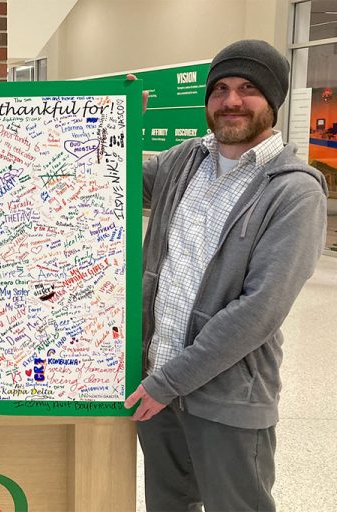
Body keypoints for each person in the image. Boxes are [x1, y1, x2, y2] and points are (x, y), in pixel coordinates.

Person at [124, 40, 327, 511]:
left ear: (272, 102)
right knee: (169, 504)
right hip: (156, 386)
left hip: (227, 397)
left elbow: (258, 311)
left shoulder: (294, 191)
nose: (231, 101)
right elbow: (112, 176)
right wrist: (118, 120)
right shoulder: (183, 161)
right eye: (219, 89)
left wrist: (168, 381)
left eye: (248, 88)